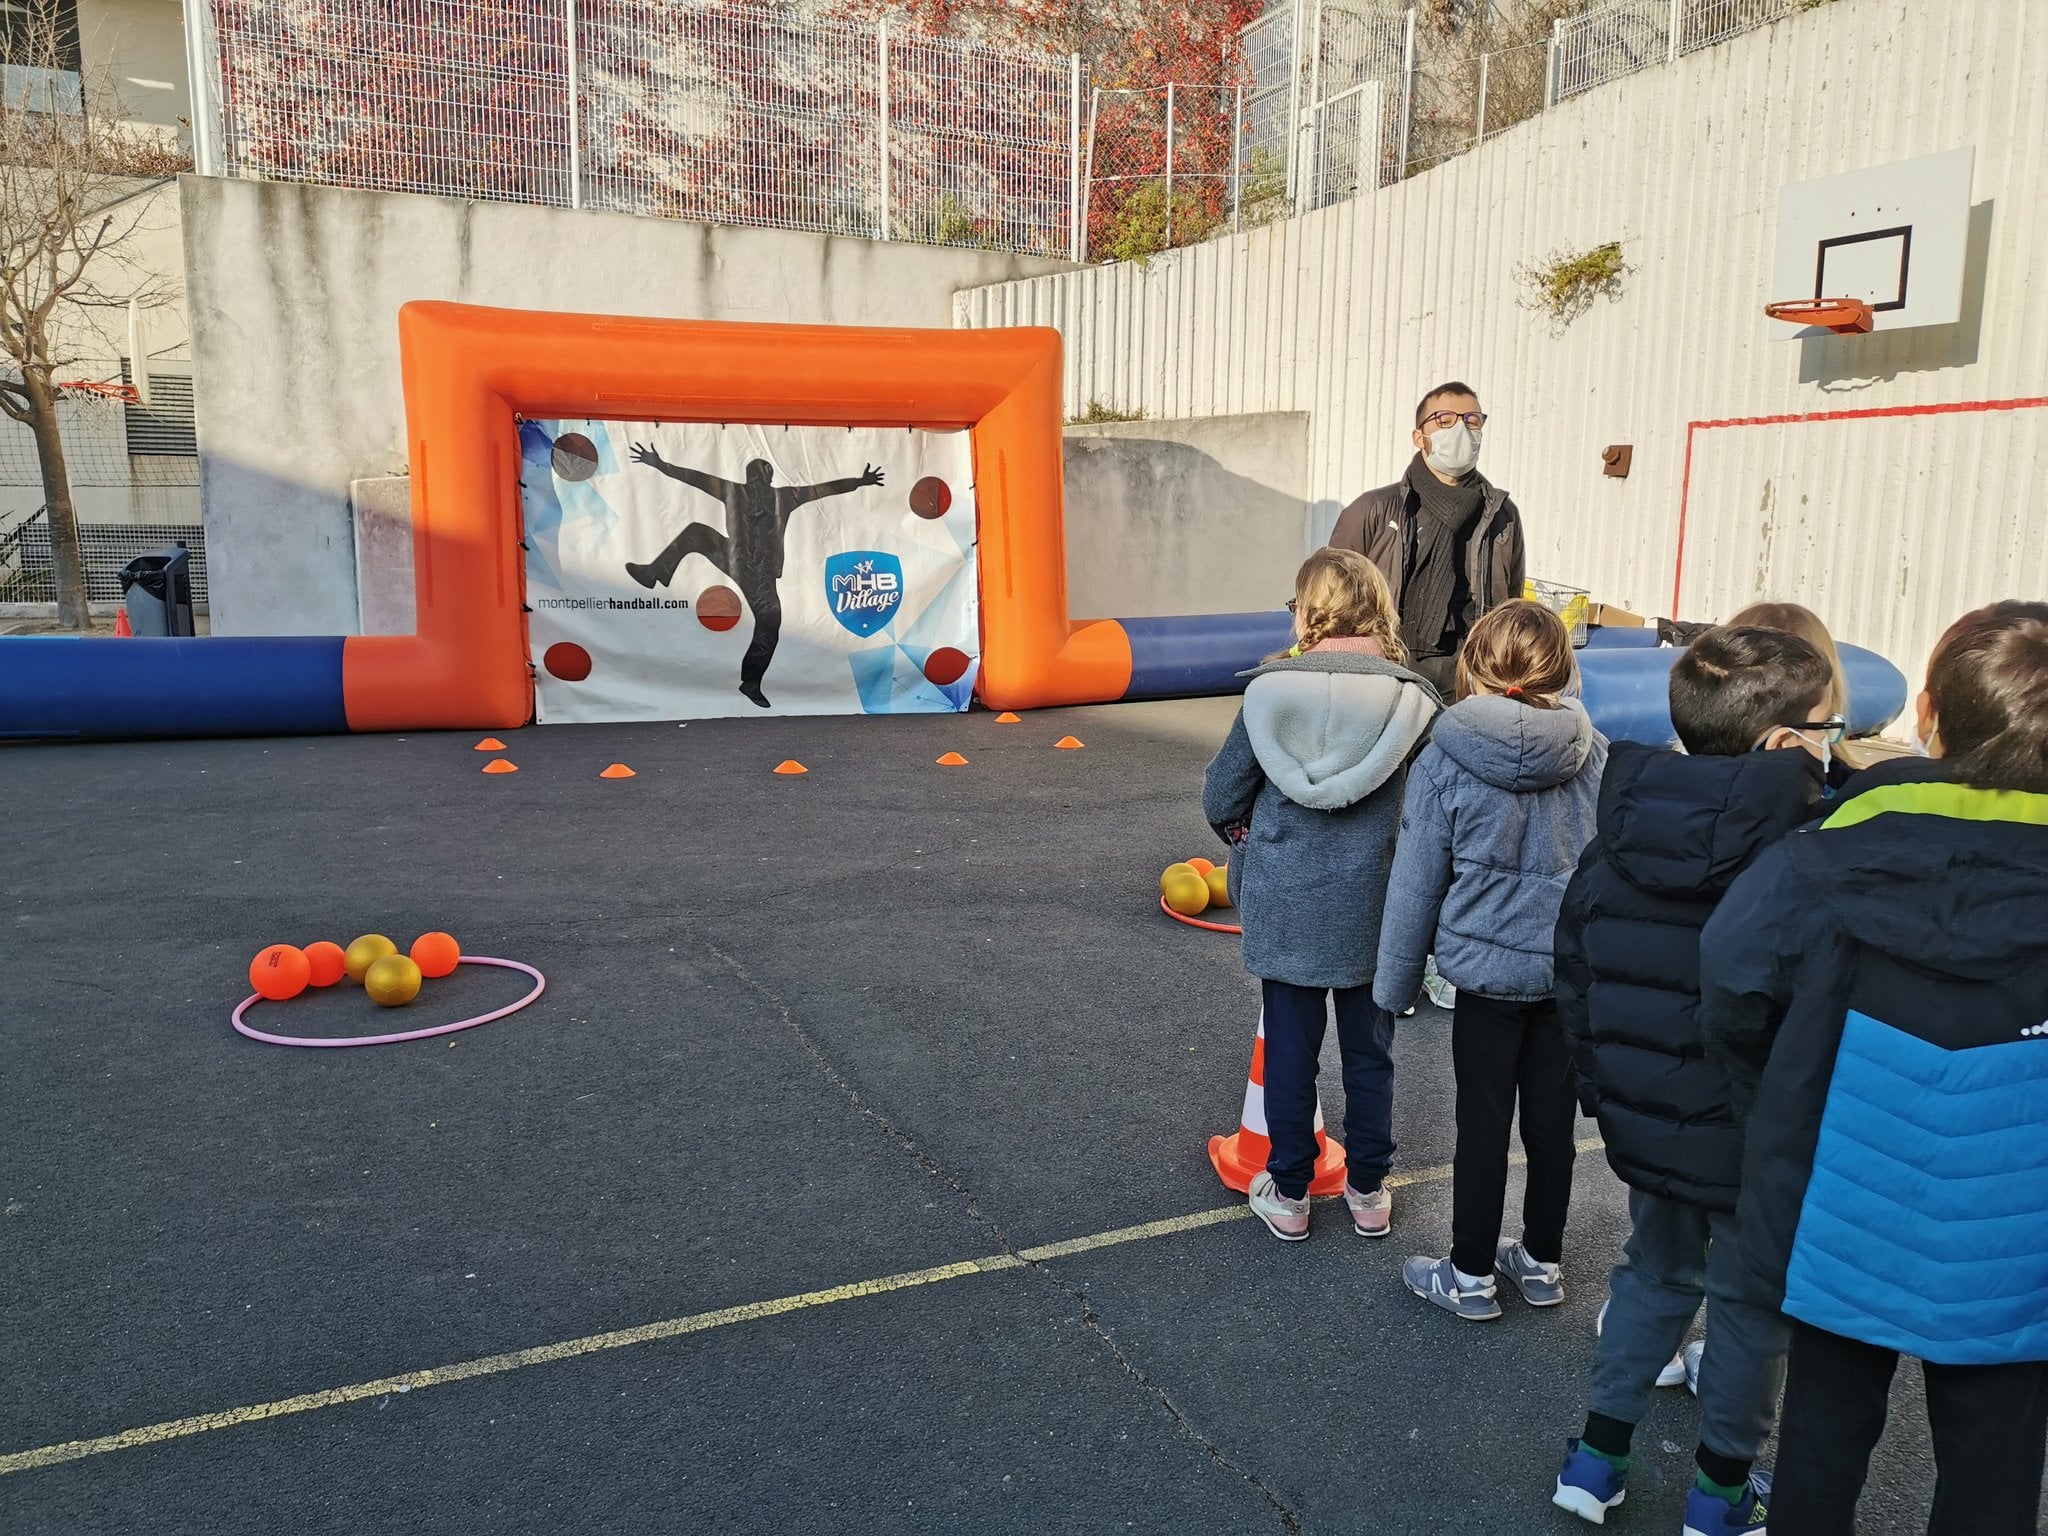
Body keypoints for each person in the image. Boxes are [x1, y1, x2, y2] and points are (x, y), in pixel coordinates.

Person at [1701, 600, 2048, 1536]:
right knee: (1997, 1463)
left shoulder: (1825, 853)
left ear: (1928, 711)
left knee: (1821, 1438)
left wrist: (1766, 1101)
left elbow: (1732, 983)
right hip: (2020, 1236)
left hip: (1843, 1194)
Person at [1550, 625, 1839, 1535]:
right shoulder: (1807, 854)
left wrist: (1608, 1096)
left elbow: (1577, 976)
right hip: (1758, 1138)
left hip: (1648, 1126)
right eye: (1833, 723)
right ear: (1786, 741)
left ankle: (1596, 1460)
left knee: (1652, 1274)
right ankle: (1719, 1494)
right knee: (1751, 1307)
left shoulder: (1623, 834)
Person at [1373, 600, 1605, 1319]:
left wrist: (1395, 984)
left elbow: (1417, 881)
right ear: (1563, 669)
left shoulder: (1445, 756)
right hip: (1564, 974)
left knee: (1481, 1126)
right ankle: (1541, 1261)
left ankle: (1470, 1272)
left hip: (1483, 981)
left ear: (1472, 665)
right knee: (1551, 1127)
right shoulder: (1593, 752)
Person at [1203, 548, 1441, 1242]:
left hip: (1286, 896)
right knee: (1371, 1053)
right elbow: (1432, 809)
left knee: (1289, 1051)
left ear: (1307, 612)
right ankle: (1369, 1192)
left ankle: (1292, 1196)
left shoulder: (1269, 693)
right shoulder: (1414, 703)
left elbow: (1222, 795)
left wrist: (1247, 836)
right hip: (1378, 900)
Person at [623, 445, 886, 708]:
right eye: (756, 475)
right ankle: (654, 572)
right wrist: (660, 465)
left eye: (760, 474)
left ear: (768, 477)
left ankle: (751, 681)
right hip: (735, 558)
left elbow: (823, 489)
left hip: (757, 572)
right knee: (697, 533)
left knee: (769, 625)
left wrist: (859, 482)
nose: (758, 480)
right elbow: (694, 477)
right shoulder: (742, 491)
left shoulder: (780, 496)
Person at [1327, 382, 1527, 697]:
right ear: (1419, 437)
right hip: (1389, 662)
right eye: (1445, 419)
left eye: (1471, 420)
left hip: (1469, 668)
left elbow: (1512, 595)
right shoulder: (1375, 508)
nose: (1461, 428)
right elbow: (1331, 591)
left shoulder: (1502, 514)